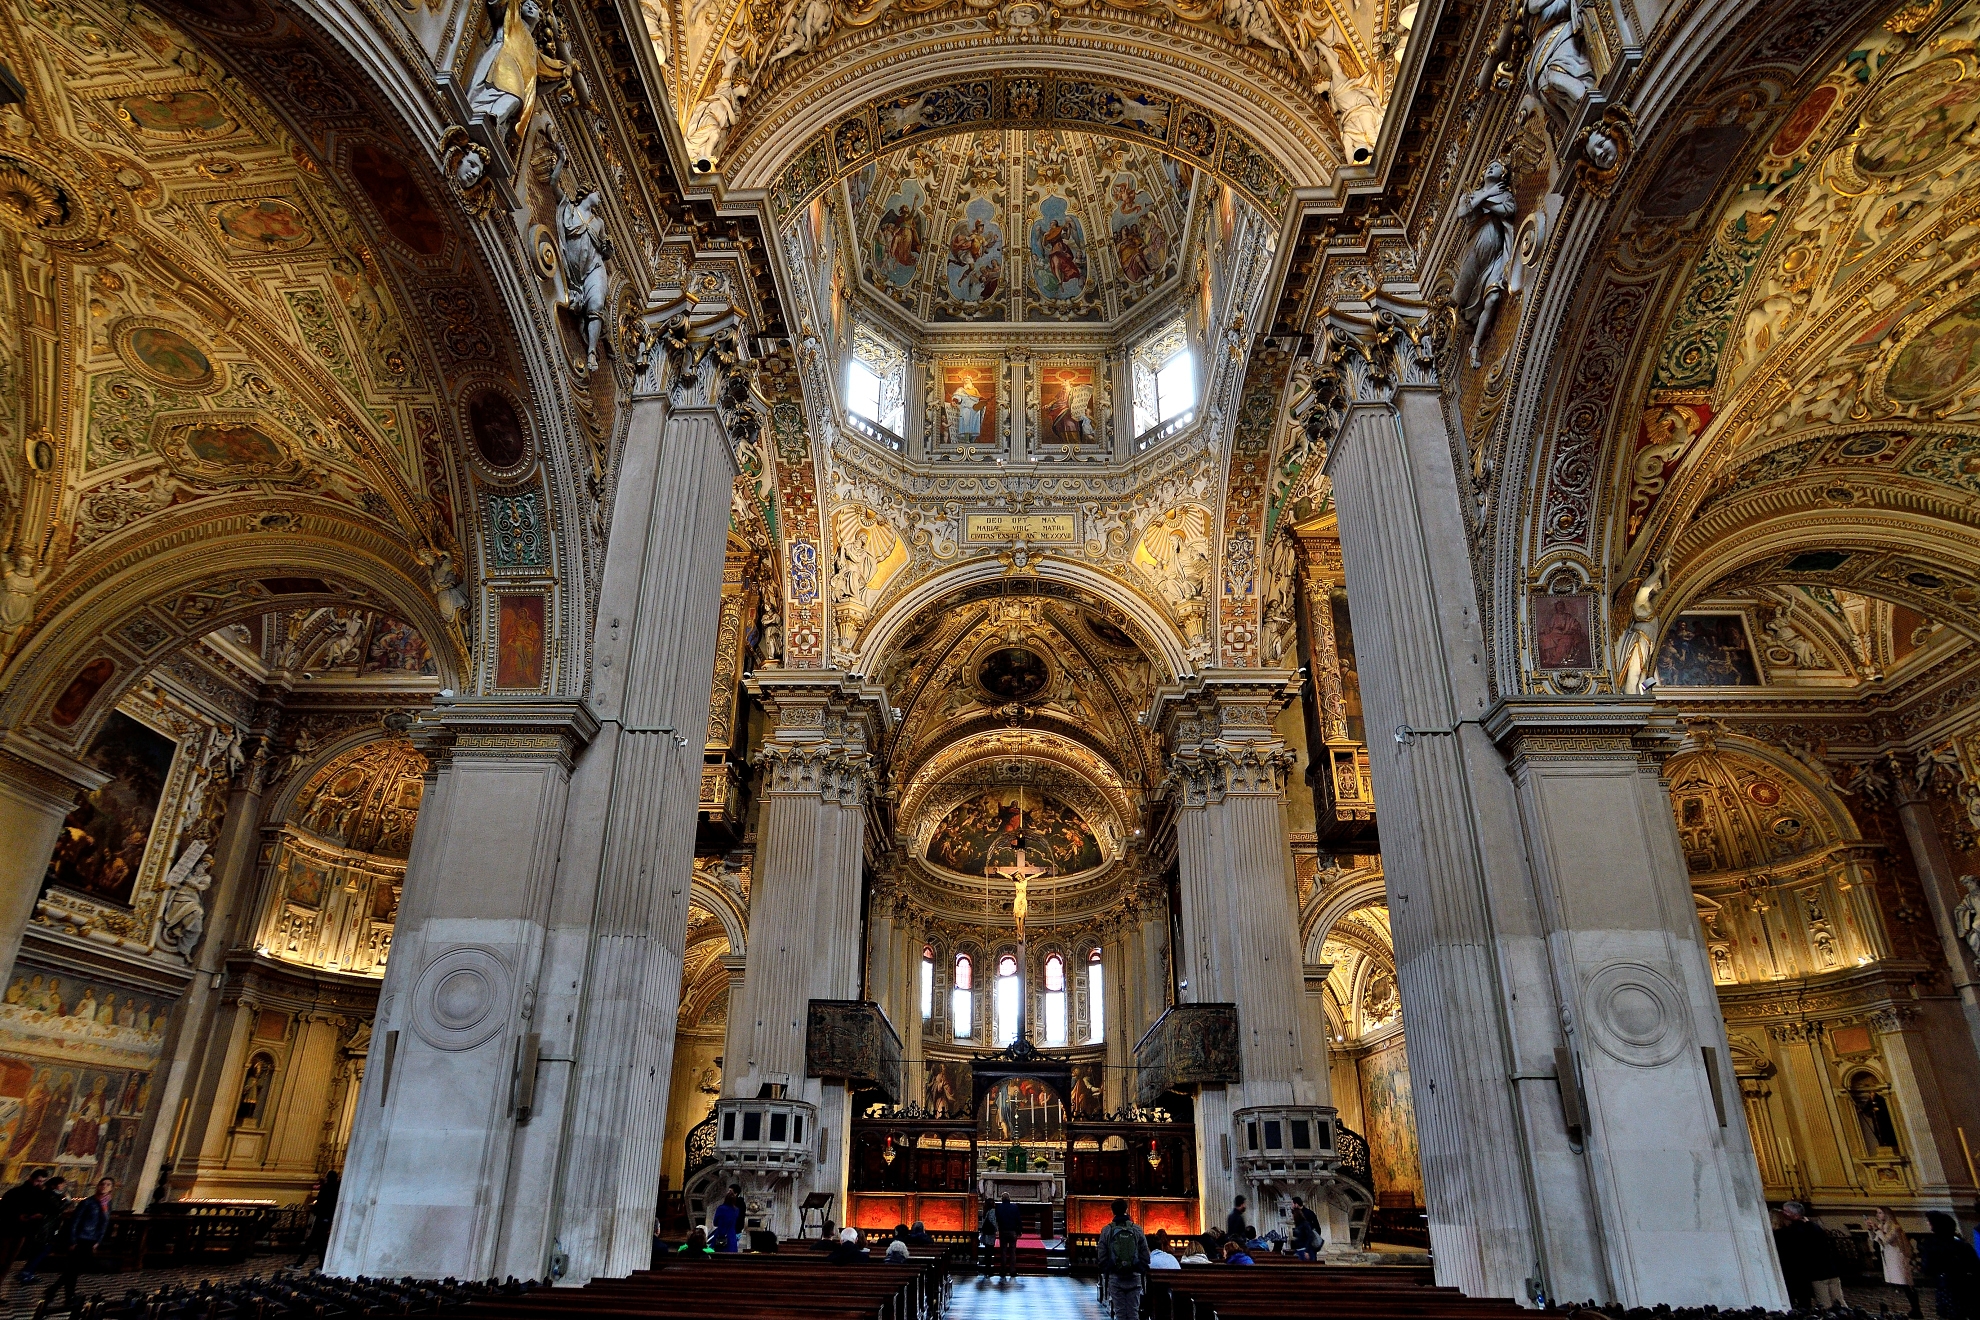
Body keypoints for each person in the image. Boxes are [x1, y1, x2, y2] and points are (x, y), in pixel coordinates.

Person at [44, 1176, 114, 1310]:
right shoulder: (88, 1202)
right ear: (98, 1186)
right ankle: (67, 1296)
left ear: (111, 1188)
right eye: (102, 1184)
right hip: (80, 1238)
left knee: (75, 1268)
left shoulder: (107, 1203)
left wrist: (98, 1240)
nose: (104, 1186)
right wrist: (72, 1240)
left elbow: (103, 1224)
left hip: (91, 1239)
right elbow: (75, 1221)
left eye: (108, 1184)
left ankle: (55, 1290)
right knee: (74, 1268)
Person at [1775, 1201, 1846, 1310]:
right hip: (1831, 1270)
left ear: (1794, 1214)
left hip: (1817, 1273)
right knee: (1840, 1303)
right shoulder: (1814, 1226)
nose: (1783, 1213)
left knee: (1825, 1305)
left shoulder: (1793, 1230)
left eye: (1785, 1211)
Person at [1096, 1198, 1149, 1320]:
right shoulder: (1137, 1229)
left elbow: (1101, 1254)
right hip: (1134, 1275)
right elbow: (1145, 1254)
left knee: (1120, 1313)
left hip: (1116, 1275)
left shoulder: (1107, 1230)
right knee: (1133, 1313)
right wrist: (1140, 1267)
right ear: (1126, 1210)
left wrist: (1108, 1268)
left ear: (1112, 1211)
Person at [1921, 1211, 1980, 1319]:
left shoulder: (1932, 1245)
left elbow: (1927, 1268)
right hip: (1966, 1286)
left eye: (1929, 1222)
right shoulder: (1962, 1244)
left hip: (1947, 1286)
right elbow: (1975, 1265)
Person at [1868, 1207, 1919, 1318]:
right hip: (1888, 1258)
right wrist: (1871, 1230)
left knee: (1905, 1283)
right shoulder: (1881, 1226)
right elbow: (1875, 1239)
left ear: (1887, 1214)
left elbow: (1887, 1240)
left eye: (1880, 1213)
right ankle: (1893, 1308)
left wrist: (1877, 1230)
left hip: (1897, 1258)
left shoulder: (1895, 1227)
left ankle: (1916, 1308)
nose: (1878, 1215)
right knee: (1894, 1283)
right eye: (1877, 1213)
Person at [18, 1174, 68, 1282]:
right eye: (62, 1184)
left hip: (45, 1227)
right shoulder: (50, 1195)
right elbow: (58, 1209)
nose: (64, 1186)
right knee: (43, 1250)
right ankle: (26, 1272)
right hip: (45, 1228)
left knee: (39, 1251)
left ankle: (28, 1272)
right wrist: (67, 1200)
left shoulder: (50, 1194)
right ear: (54, 1185)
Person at [0, 1170, 49, 1275]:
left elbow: (44, 1209)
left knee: (10, 1259)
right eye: (37, 1181)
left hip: (25, 1232)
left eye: (42, 1182)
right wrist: (18, 1216)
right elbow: (4, 1209)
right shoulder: (15, 1192)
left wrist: (39, 1215)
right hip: (8, 1231)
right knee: (2, 1257)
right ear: (30, 1178)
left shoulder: (40, 1194)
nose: (39, 1184)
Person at [295, 1169, 339, 1267]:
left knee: (315, 1241)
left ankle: (300, 1264)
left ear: (327, 1178)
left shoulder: (326, 1188)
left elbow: (321, 1203)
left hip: (322, 1217)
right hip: (327, 1217)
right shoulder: (336, 1189)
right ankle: (321, 1264)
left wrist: (316, 1211)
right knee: (320, 1242)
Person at [995, 1193, 1023, 1281]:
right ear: (1009, 1199)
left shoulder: (999, 1207)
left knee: (1003, 1251)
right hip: (1012, 1231)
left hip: (1003, 1231)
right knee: (1012, 1251)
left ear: (1002, 1199)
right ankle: (1012, 1271)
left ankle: (1003, 1270)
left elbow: (997, 1219)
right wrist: (1020, 1230)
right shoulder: (1014, 1207)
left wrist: (997, 1228)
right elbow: (1018, 1219)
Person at [1290, 1195, 1324, 1262]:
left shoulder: (1309, 1214)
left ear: (1296, 1204)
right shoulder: (1298, 1218)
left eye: (1292, 1204)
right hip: (1302, 1246)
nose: (1291, 1206)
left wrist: (1311, 1243)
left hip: (1309, 1246)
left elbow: (1317, 1228)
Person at [978, 1200, 999, 1275]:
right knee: (989, 1251)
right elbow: (993, 1221)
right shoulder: (992, 1211)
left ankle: (987, 1269)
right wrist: (996, 1230)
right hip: (990, 1233)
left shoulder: (985, 1211)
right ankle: (988, 1270)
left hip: (986, 1233)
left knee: (987, 1252)